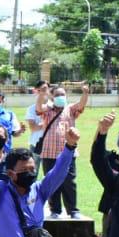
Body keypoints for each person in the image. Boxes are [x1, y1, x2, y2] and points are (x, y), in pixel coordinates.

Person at [37, 84, 89, 219]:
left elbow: (81, 105)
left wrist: (85, 93)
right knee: (51, 181)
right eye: (57, 95)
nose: (60, 97)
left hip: (68, 151)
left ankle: (73, 210)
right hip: (49, 153)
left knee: (69, 181)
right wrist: (41, 95)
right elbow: (38, 108)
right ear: (52, 97)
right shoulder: (48, 110)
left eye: (62, 95)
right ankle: (55, 210)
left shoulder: (70, 109)